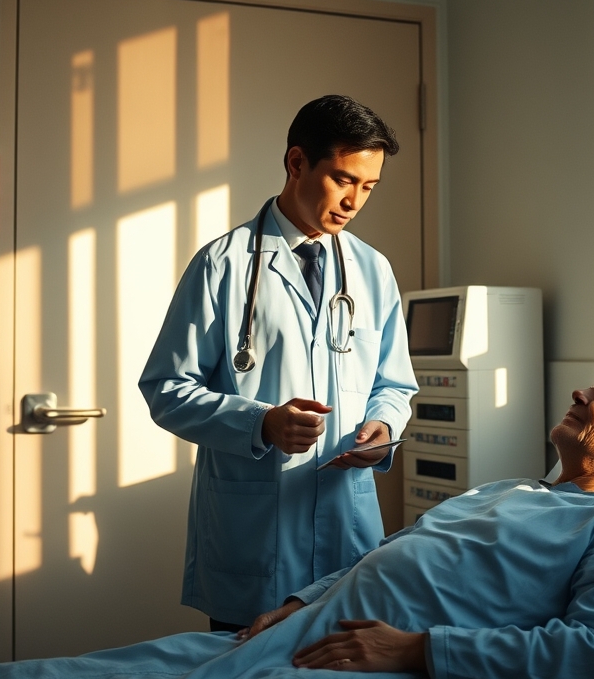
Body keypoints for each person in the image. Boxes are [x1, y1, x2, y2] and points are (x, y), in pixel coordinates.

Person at [0, 367, 594, 679]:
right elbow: (395, 554)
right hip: (298, 629)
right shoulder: (509, 489)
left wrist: (419, 651)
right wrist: (298, 602)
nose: (580, 393)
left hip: (379, 668)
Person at [137, 95, 418, 632]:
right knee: (244, 671)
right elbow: (166, 388)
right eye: (342, 179)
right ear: (296, 164)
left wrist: (382, 424)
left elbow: (395, 382)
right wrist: (260, 422)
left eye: (369, 186)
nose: (355, 201)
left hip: (345, 521)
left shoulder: (371, 269)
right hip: (252, 530)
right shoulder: (223, 263)